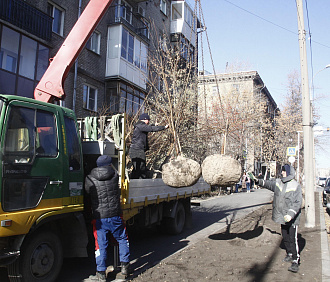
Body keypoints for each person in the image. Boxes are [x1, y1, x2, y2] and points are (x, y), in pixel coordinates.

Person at [85, 155, 130, 281]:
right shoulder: (114, 175)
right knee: (122, 239)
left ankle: (101, 272)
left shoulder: (89, 178)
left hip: (100, 217)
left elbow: (87, 191)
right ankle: (125, 266)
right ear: (109, 164)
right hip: (115, 215)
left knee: (100, 244)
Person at [253, 164, 302, 273]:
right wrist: (258, 181)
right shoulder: (279, 182)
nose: (282, 172)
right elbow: (269, 184)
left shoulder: (295, 185)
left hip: (291, 217)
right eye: (282, 171)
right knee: (285, 236)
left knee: (292, 239)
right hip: (282, 217)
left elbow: (297, 202)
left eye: (284, 171)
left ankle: (295, 260)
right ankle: (289, 254)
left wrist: (290, 214)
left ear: (288, 172)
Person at [129, 113, 168, 179]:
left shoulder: (139, 126)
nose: (149, 121)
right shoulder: (141, 126)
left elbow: (148, 128)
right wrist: (164, 127)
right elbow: (151, 129)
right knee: (141, 168)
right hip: (137, 150)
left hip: (136, 150)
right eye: (148, 120)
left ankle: (134, 181)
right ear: (144, 119)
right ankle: (139, 182)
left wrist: (154, 125)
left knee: (137, 168)